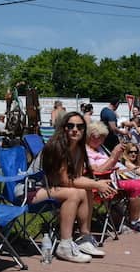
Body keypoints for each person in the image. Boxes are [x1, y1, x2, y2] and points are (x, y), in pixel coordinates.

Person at [29, 112, 114, 263]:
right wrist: (96, 184)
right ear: (64, 128)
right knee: (73, 194)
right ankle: (65, 245)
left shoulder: (79, 149)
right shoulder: (57, 147)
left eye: (80, 127)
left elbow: (76, 178)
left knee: (84, 189)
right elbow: (65, 181)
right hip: (30, 190)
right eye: (70, 126)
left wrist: (94, 185)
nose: (75, 129)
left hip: (51, 188)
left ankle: (84, 238)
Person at [85, 121, 140, 234]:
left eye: (103, 138)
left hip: (113, 178)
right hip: (102, 182)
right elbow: (96, 171)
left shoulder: (99, 148)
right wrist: (113, 156)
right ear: (90, 136)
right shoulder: (87, 151)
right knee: (137, 186)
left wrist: (116, 159)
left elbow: (111, 164)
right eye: (100, 138)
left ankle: (138, 218)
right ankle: (133, 221)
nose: (102, 140)